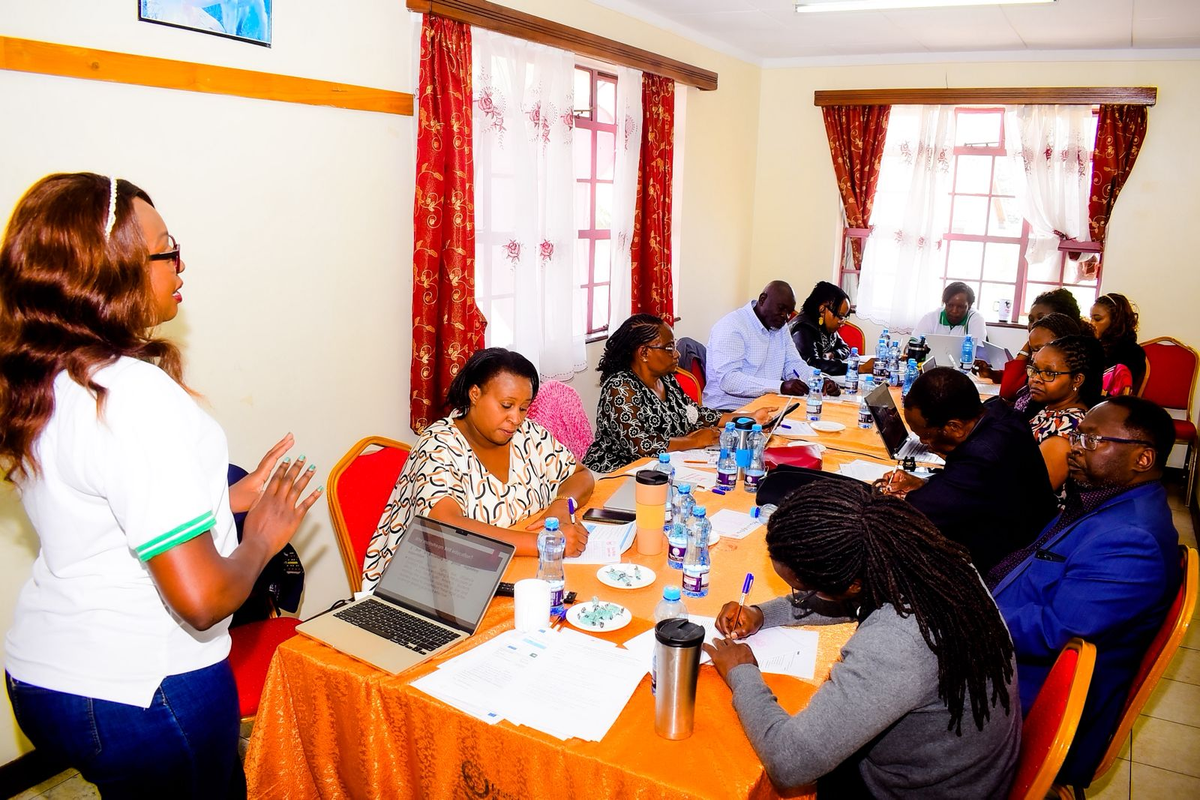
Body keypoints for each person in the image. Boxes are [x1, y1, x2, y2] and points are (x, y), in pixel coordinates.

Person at [1, 173, 321, 797]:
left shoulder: (47, 379)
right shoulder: (136, 395)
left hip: (43, 677)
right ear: (113, 269)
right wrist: (259, 539)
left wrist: (227, 498)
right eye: (166, 247)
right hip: (147, 689)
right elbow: (201, 597)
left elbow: (105, 513)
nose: (180, 263)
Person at [703, 481, 1020, 798]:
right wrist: (763, 614)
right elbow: (859, 599)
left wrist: (741, 672)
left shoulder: (896, 642)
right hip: (958, 767)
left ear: (851, 584)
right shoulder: (933, 564)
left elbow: (790, 764)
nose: (800, 597)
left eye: (805, 590)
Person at [991, 396, 1181, 786]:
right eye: (1078, 435)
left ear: (1142, 459)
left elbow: (1053, 632)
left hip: (1026, 697)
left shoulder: (1132, 540)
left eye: (1093, 440)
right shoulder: (1106, 500)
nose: (1076, 447)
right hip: (1011, 654)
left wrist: (967, 610)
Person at [363, 348, 594, 591]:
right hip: (432, 585)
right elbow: (447, 527)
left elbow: (581, 475)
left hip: (509, 573)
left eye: (523, 408)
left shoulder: (528, 434)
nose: (515, 418)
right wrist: (542, 543)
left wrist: (561, 504)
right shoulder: (439, 445)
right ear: (475, 394)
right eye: (506, 405)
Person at [878, 367, 1058, 576]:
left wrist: (896, 496)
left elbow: (915, 513)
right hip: (1027, 539)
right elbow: (977, 490)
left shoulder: (982, 455)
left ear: (955, 427)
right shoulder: (1000, 414)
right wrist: (924, 484)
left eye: (925, 434)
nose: (923, 442)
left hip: (1006, 568)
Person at [583, 315, 776, 473]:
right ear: (643, 353)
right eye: (669, 348)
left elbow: (694, 413)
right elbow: (640, 445)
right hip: (616, 473)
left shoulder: (666, 379)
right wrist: (694, 441)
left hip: (661, 468)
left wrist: (747, 418)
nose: (677, 354)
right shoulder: (620, 388)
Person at [704, 281, 836, 410]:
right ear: (762, 299)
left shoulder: (780, 327)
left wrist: (819, 381)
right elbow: (729, 380)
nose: (785, 316)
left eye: (789, 312)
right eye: (781, 308)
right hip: (729, 412)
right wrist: (780, 387)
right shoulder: (732, 326)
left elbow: (793, 364)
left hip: (767, 408)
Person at [1025, 335, 1105, 493]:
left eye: (1049, 373)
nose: (1035, 379)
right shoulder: (1050, 408)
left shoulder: (1067, 428)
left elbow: (1031, 494)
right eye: (1034, 370)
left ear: (1077, 380)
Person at [789, 281, 853, 376]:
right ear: (822, 309)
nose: (842, 321)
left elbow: (845, 348)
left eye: (844, 317)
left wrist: (833, 354)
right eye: (840, 316)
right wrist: (854, 368)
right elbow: (812, 364)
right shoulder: (802, 328)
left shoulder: (825, 325)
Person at [1091, 293, 1147, 396]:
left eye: (1097, 319)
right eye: (1091, 318)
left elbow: (1116, 393)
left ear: (1115, 321)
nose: (1092, 323)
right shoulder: (1095, 345)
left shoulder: (1132, 352)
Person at [913, 281, 988, 342]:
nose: (954, 311)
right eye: (950, 305)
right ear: (945, 303)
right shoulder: (931, 317)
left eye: (960, 307)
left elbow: (979, 353)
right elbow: (911, 344)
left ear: (970, 305)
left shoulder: (976, 319)